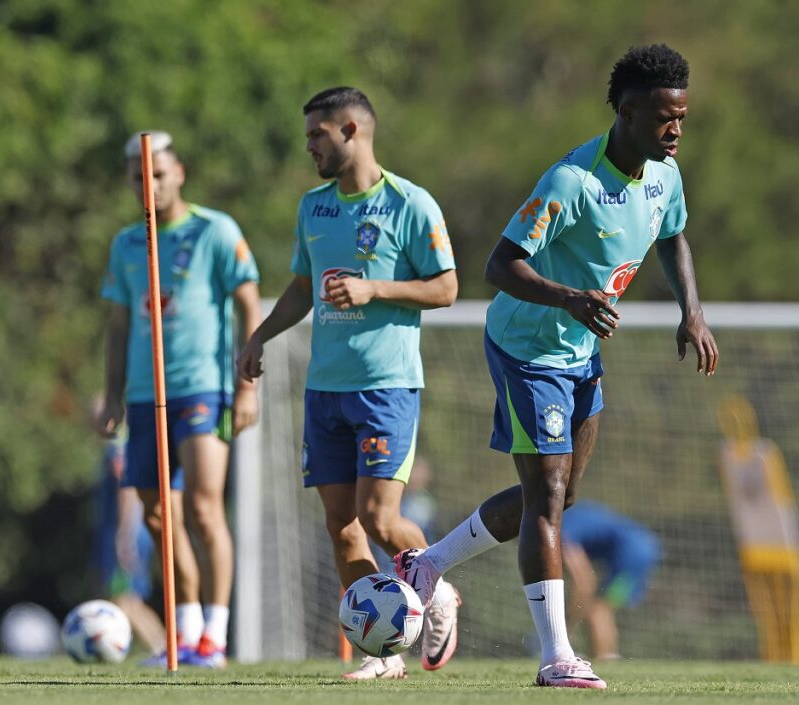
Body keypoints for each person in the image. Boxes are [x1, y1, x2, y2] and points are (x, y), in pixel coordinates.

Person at [396, 44, 718, 689]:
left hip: (581, 353)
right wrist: (570, 298)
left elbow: (672, 234)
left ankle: (426, 565)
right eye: (664, 118)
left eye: (682, 116)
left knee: (564, 494)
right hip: (528, 348)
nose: (676, 130)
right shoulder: (571, 181)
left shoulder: (665, 175)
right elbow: (499, 265)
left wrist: (693, 312)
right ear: (627, 113)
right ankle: (556, 658)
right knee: (547, 497)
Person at [236, 87, 461, 680]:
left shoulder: (411, 204)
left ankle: (436, 592)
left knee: (381, 519)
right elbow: (302, 285)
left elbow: (445, 288)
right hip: (324, 389)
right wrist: (260, 335)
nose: (309, 145)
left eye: (318, 134)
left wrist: (375, 289)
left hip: (386, 385)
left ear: (352, 132)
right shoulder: (314, 206)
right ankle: (381, 653)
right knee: (342, 527)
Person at [96, 131, 262, 668]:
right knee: (156, 514)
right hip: (144, 397)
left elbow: (247, 305)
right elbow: (118, 327)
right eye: (140, 177)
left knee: (203, 507)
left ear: (179, 173)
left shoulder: (215, 231)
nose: (150, 185)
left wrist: (245, 385)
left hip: (202, 387)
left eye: (159, 174)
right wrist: (114, 397)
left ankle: (215, 635)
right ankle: (184, 631)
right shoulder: (126, 245)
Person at [90, 397, 166, 655]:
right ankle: (162, 648)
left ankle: (164, 648)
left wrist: (125, 535)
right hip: (124, 532)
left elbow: (128, 491)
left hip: (127, 533)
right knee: (119, 599)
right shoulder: (121, 443)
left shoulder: (118, 447)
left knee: (126, 600)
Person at [560, 500, 661, 661]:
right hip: (643, 546)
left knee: (597, 608)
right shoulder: (567, 516)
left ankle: (604, 661)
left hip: (633, 553)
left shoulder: (559, 531)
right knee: (602, 607)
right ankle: (605, 658)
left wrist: (565, 625)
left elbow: (584, 581)